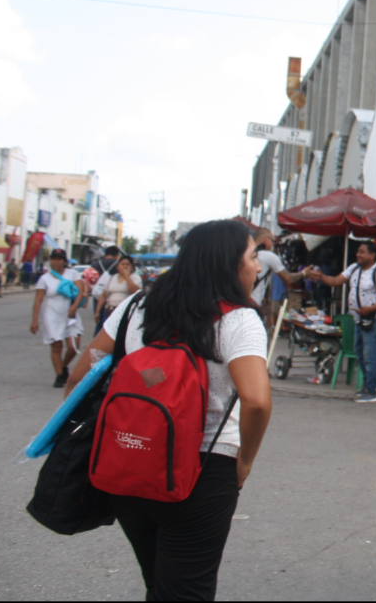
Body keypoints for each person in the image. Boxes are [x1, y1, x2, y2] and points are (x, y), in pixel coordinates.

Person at [65, 220, 272, 601]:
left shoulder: (136, 305)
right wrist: (245, 459)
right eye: (253, 256)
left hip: (129, 462)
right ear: (227, 264)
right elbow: (257, 401)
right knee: (186, 589)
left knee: (159, 581)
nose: (258, 266)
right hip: (204, 471)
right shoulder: (240, 319)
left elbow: (80, 376)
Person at [304, 241, 376, 403]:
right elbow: (335, 281)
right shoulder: (354, 268)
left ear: (372, 255)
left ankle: (371, 391)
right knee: (359, 351)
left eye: (362, 252)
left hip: (373, 319)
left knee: (370, 354)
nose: (357, 254)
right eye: (357, 252)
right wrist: (321, 277)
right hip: (358, 319)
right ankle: (370, 385)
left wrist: (371, 308)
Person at [31, 249, 86, 388]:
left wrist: (74, 307)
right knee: (56, 345)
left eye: (60, 259)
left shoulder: (72, 274)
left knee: (74, 346)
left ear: (64, 261)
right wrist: (35, 320)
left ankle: (63, 365)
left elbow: (80, 291)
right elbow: (38, 300)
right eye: (54, 259)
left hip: (69, 313)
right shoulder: (45, 278)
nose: (57, 262)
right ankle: (60, 375)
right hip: (52, 314)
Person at [250, 228, 301, 329]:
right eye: (272, 241)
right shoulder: (268, 256)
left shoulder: (245, 254)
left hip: (243, 302)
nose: (273, 244)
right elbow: (289, 278)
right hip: (254, 304)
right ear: (265, 240)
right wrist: (304, 273)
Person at [96, 254, 142, 335]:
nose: (125, 266)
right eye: (122, 264)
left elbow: (135, 291)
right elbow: (103, 295)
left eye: (127, 264)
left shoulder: (135, 278)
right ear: (118, 266)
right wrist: (97, 312)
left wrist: (127, 276)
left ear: (131, 267)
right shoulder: (112, 278)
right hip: (110, 309)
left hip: (125, 311)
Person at [90, 245, 122, 328]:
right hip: (110, 294)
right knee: (108, 322)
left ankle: (97, 337)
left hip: (97, 293)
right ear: (116, 254)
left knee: (98, 320)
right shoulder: (118, 264)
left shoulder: (96, 263)